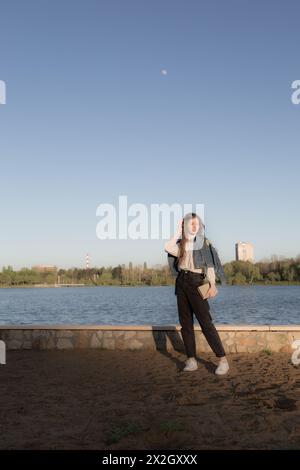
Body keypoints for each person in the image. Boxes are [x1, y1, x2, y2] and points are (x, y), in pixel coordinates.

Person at [164, 212, 229, 375]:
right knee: (186, 324)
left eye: (196, 223)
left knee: (206, 323)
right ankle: (191, 360)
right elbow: (167, 247)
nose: (194, 226)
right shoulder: (181, 243)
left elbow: (211, 265)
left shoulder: (203, 243)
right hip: (181, 282)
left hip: (198, 282)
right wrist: (178, 231)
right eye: (190, 223)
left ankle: (222, 360)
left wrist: (212, 284)